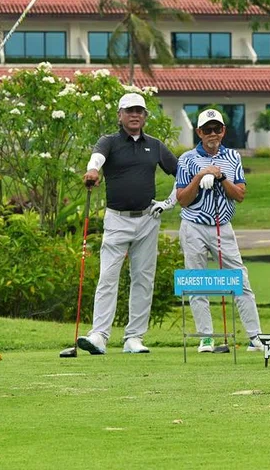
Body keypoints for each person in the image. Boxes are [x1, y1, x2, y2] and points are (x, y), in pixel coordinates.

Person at [77, 93, 178, 355]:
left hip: (148, 219)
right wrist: (92, 171)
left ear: (145, 116)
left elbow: (181, 172)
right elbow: (97, 158)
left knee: (143, 279)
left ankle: (134, 337)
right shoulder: (109, 142)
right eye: (130, 111)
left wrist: (168, 202)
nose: (135, 115)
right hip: (117, 219)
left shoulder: (155, 145)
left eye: (140, 111)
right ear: (120, 115)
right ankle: (99, 335)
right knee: (108, 277)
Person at [175, 109, 264, 353]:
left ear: (223, 131)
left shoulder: (233, 157)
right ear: (199, 133)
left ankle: (255, 336)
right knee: (196, 282)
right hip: (193, 226)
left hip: (222, 226)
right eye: (207, 130)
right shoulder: (187, 160)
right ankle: (206, 337)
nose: (212, 134)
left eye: (217, 129)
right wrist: (200, 176)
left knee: (240, 280)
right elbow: (182, 199)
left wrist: (221, 176)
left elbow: (240, 195)